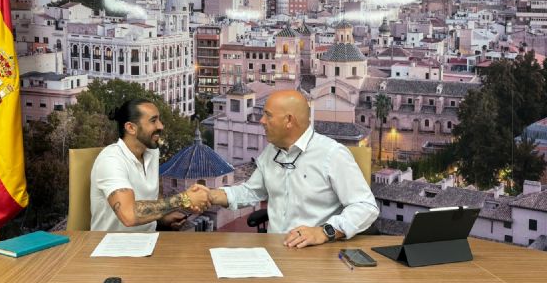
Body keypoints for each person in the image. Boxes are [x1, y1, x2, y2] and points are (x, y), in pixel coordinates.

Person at [209, 89, 378, 247]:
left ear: (289, 120)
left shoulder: (332, 154)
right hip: (275, 250)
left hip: (316, 255)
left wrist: (324, 231)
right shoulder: (271, 152)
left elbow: (365, 207)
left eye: (268, 115)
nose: (261, 121)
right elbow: (252, 192)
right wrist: (212, 196)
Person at [91, 97, 211, 232]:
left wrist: (164, 218)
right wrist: (183, 199)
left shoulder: (152, 153)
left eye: (159, 120)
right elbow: (129, 215)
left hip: (148, 242)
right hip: (111, 247)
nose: (161, 126)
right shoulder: (111, 160)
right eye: (153, 121)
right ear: (131, 128)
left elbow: (151, 198)